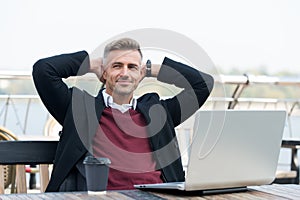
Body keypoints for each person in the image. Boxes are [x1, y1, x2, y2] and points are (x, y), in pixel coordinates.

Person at [32, 38, 214, 192]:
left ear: (140, 73)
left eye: (132, 67)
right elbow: (43, 70)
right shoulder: (78, 109)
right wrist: (91, 64)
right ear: (104, 72)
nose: (124, 73)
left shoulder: (159, 112)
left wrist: (151, 69)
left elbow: (203, 84)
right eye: (117, 66)